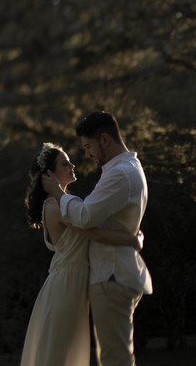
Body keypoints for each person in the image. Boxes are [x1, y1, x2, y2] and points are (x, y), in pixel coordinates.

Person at [41, 112, 153, 366]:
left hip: (111, 275)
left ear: (105, 139)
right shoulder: (126, 169)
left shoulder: (120, 173)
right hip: (115, 273)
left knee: (115, 358)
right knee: (114, 355)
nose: (87, 154)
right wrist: (131, 241)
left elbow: (85, 215)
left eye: (89, 146)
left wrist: (57, 192)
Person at [21, 142, 143, 366]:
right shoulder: (56, 205)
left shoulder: (65, 204)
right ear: (49, 174)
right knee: (61, 352)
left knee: (69, 352)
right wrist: (133, 240)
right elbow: (95, 233)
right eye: (64, 163)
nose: (72, 165)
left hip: (74, 281)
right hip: (66, 283)